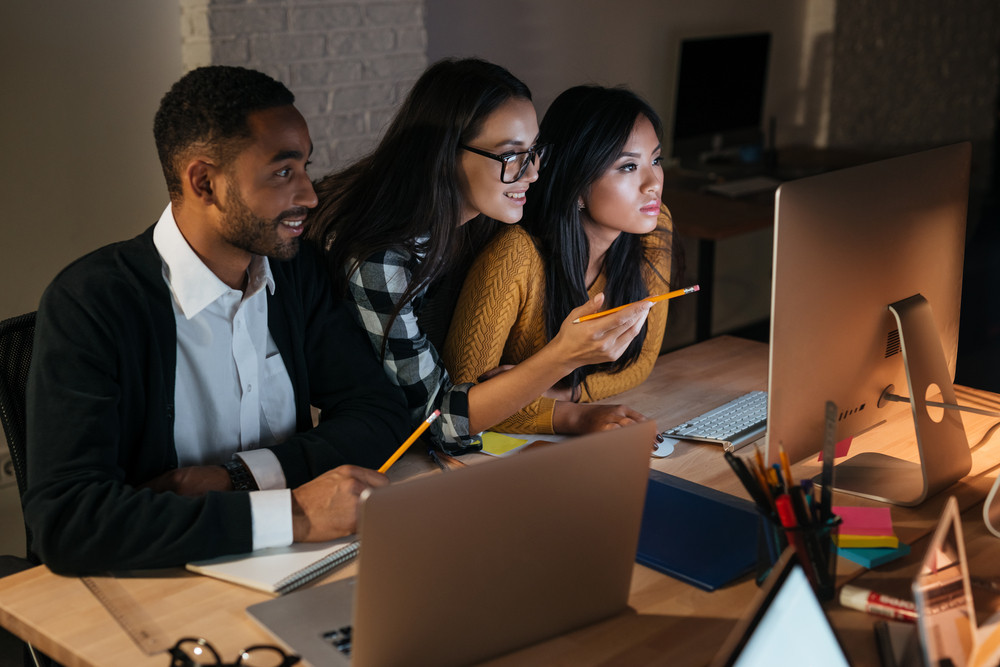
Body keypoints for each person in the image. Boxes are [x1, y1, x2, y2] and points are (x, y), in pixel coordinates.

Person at [23, 66, 410, 575]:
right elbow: (70, 521)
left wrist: (241, 477)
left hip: (298, 567)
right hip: (157, 583)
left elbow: (379, 413)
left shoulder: (296, 273)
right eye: (282, 173)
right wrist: (289, 515)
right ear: (204, 182)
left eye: (305, 168)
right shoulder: (93, 302)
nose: (310, 196)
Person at [307, 59, 651, 453]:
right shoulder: (380, 259)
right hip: (358, 451)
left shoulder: (481, 217)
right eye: (511, 155)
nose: (532, 173)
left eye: (535, 151)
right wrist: (561, 359)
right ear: (444, 154)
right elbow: (437, 420)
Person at [443, 85, 673, 434]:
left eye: (655, 160)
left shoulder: (655, 229)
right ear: (578, 186)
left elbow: (640, 363)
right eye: (628, 166)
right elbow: (462, 406)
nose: (652, 183)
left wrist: (564, 392)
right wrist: (571, 416)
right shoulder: (516, 256)